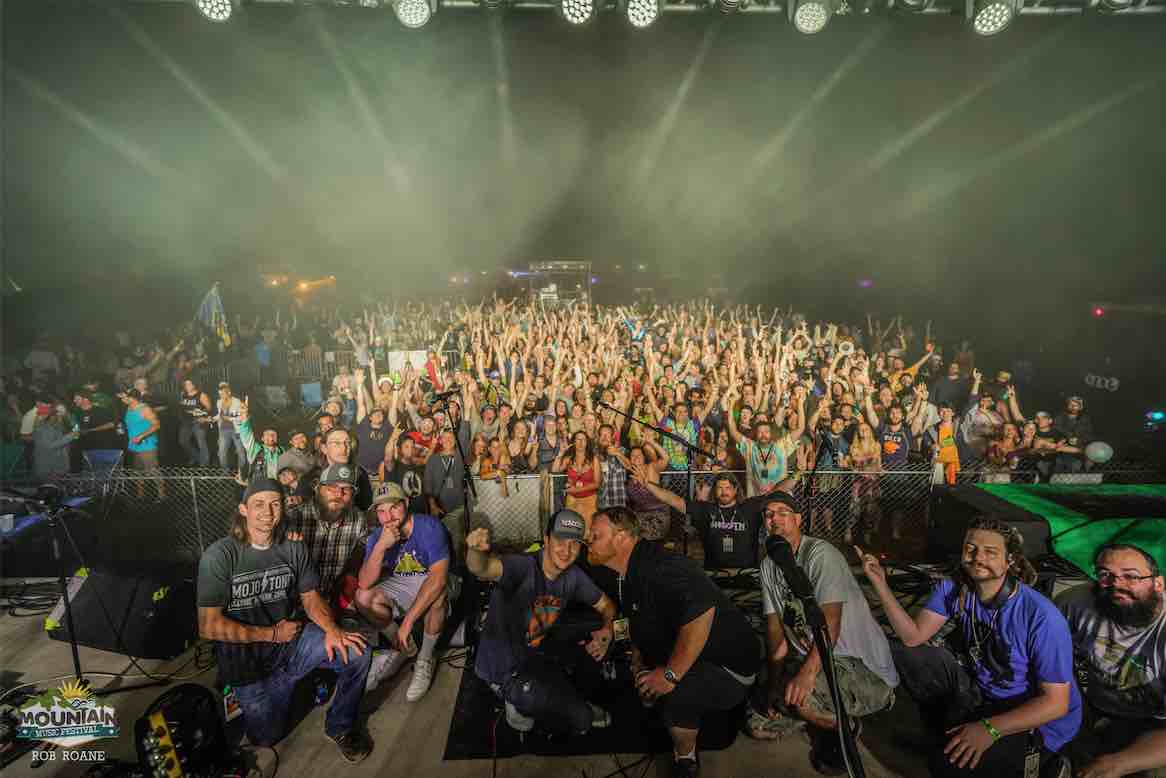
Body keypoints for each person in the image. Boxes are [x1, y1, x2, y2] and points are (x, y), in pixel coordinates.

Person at [855, 516, 1080, 777]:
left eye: (990, 552)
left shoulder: (1042, 618)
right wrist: (880, 583)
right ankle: (940, 737)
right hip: (986, 694)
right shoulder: (955, 587)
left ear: (1010, 561)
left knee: (948, 766)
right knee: (908, 656)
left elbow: (1055, 704)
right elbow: (913, 638)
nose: (977, 558)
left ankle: (1046, 763)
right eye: (970, 548)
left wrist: (990, 729)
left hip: (1037, 719)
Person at [196, 478, 372, 762]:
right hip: (248, 667)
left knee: (357, 653)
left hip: (292, 647)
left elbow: (311, 598)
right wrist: (271, 634)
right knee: (267, 738)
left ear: (283, 509)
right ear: (243, 509)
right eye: (259, 504)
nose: (268, 511)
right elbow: (209, 626)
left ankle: (340, 725)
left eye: (275, 504)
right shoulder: (220, 555)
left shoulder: (293, 546)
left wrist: (332, 630)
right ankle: (268, 688)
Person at [588, 505, 761, 778]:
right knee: (646, 678)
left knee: (675, 693)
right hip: (698, 653)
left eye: (595, 535)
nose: (589, 541)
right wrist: (628, 649)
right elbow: (632, 618)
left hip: (730, 668)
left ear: (620, 537)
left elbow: (702, 611)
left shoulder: (660, 565)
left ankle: (686, 758)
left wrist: (669, 675)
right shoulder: (628, 572)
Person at [745, 492, 899, 775]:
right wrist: (773, 685)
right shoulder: (769, 565)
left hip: (860, 667)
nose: (774, 519)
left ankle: (844, 725)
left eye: (782, 512)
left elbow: (831, 623)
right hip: (814, 657)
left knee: (801, 695)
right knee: (757, 719)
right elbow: (775, 631)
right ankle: (815, 713)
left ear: (798, 519)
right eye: (768, 514)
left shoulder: (820, 554)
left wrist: (804, 676)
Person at [467, 510, 618, 735]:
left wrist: (607, 630)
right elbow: (482, 567)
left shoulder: (574, 577)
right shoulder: (522, 566)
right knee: (572, 717)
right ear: (546, 541)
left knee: (581, 709)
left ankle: (559, 696)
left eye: (574, 544)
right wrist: (475, 551)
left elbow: (607, 606)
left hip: (533, 656)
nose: (566, 551)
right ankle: (511, 697)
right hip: (501, 668)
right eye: (559, 541)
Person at [1057, 543, 1166, 778]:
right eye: (1105, 575)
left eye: (1131, 576)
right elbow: (1047, 656)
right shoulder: (1075, 603)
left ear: (1158, 584)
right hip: (1095, 709)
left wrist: (1119, 763)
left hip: (1157, 726)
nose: (1116, 584)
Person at [355, 483, 450, 702]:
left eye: (393, 508)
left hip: (433, 578)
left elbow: (438, 578)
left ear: (406, 503)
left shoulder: (429, 526)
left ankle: (425, 658)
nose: (387, 517)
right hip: (403, 582)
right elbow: (364, 582)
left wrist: (407, 622)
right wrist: (380, 547)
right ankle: (402, 648)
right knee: (362, 597)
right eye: (381, 511)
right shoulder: (378, 535)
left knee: (438, 594)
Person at [633, 469, 766, 570]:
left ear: (736, 489)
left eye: (728, 488)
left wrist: (788, 477)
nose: (724, 492)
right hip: (714, 574)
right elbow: (674, 500)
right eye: (720, 488)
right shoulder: (705, 510)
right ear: (714, 490)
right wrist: (648, 484)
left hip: (746, 573)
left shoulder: (749, 508)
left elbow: (777, 492)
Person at [284, 463, 371, 610]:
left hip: (333, 602)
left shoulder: (359, 520)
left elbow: (361, 549)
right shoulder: (294, 517)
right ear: (318, 489)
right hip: (293, 603)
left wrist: (351, 575)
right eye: (332, 487)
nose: (339, 494)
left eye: (346, 489)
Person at [236, 397, 284, 482]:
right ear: (262, 438)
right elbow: (246, 435)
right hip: (259, 488)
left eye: (273, 434)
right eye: (268, 434)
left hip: (277, 488)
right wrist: (244, 417)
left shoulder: (282, 450)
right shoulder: (255, 449)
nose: (271, 436)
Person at [177, 378, 213, 466]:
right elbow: (181, 407)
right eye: (186, 384)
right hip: (186, 422)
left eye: (189, 384)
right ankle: (196, 457)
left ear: (194, 384)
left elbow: (209, 408)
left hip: (198, 422)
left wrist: (201, 414)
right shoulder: (183, 395)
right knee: (183, 441)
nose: (187, 386)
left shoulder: (201, 395)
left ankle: (204, 464)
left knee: (201, 443)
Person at [216, 382, 247, 472]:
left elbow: (242, 416)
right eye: (220, 393)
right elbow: (219, 415)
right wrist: (211, 419)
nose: (221, 395)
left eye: (223, 393)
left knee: (240, 452)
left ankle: (242, 473)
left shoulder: (237, 402)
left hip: (236, 430)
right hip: (223, 430)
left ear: (229, 392)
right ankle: (225, 472)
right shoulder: (219, 402)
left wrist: (230, 418)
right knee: (221, 453)